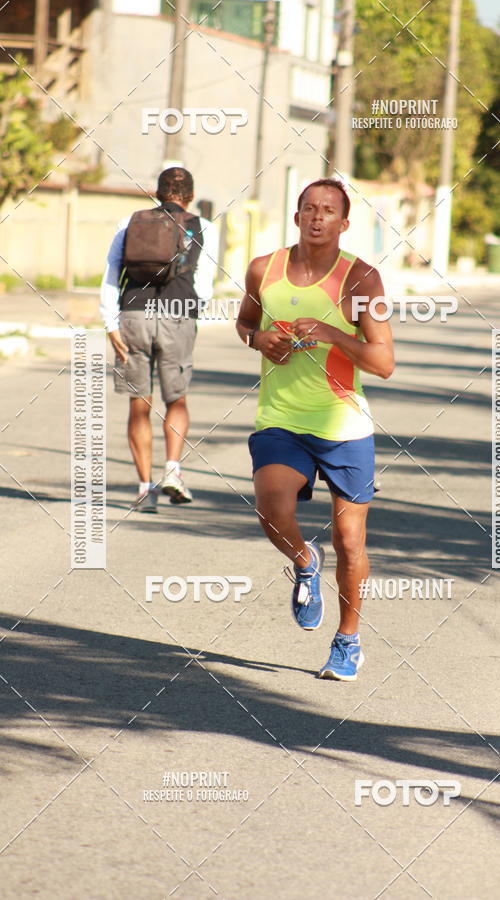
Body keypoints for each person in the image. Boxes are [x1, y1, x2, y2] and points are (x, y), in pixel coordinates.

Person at [236, 178, 394, 681]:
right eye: (309, 208)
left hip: (344, 424)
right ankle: (305, 561)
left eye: (329, 210)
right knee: (271, 508)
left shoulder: (362, 280)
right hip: (281, 417)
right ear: (297, 215)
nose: (318, 216)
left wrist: (332, 333)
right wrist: (258, 338)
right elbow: (244, 322)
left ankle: (348, 641)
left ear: (345, 223)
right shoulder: (264, 269)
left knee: (350, 541)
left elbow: (384, 362)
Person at [100, 167, 218, 511]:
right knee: (176, 400)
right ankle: (172, 471)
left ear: (157, 193)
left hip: (133, 314)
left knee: (139, 403)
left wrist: (110, 322)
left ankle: (143, 489)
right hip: (177, 314)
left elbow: (111, 272)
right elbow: (205, 283)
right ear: (191, 197)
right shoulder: (203, 227)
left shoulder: (129, 222)